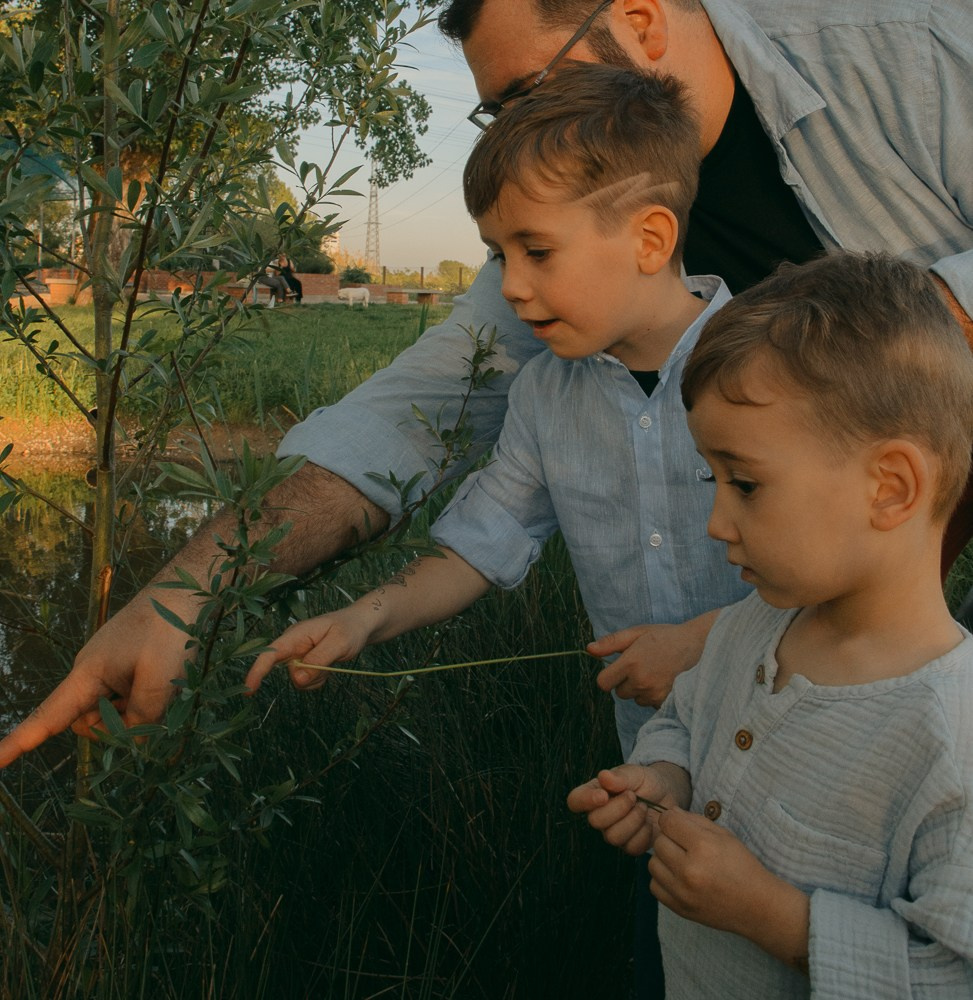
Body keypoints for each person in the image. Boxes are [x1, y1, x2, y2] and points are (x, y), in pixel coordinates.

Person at [0, 0, 970, 768]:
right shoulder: (563, 280)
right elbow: (412, 419)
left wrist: (887, 361)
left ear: (637, 18)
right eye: (495, 113)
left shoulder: (907, 44)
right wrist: (183, 596)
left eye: (527, 91)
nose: (515, 132)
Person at [245, 65, 750, 764]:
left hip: (807, 762)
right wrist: (363, 619)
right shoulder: (545, 395)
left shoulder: (781, 372)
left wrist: (703, 645)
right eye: (498, 255)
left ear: (650, 239)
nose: (510, 288)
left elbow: (853, 573)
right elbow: (479, 542)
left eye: (537, 251)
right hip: (655, 764)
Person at [568, 251, 973, 998]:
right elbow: (688, 719)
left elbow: (950, 976)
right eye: (710, 479)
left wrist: (774, 918)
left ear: (889, 488)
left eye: (745, 483)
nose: (717, 522)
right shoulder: (751, 627)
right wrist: (665, 777)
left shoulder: (950, 734)